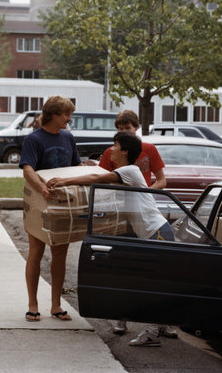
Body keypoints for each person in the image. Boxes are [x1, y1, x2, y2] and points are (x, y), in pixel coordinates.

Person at [47, 133, 176, 346]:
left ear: (125, 151)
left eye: (115, 145)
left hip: (157, 230)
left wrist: (64, 180)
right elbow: (98, 181)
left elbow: (97, 179)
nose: (111, 149)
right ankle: (153, 329)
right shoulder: (124, 172)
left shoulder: (131, 170)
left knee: (152, 283)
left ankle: (153, 330)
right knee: (148, 281)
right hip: (151, 231)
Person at [98, 110, 177, 344]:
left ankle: (159, 324)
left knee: (154, 276)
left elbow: (162, 179)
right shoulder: (112, 154)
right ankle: (124, 317)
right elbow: (100, 180)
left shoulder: (145, 152)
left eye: (127, 128)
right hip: (127, 218)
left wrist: (144, 192)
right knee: (128, 269)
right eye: (120, 129)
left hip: (149, 220)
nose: (123, 132)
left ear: (136, 128)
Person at [19, 95, 81, 322]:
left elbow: (76, 166)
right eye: (66, 114)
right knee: (36, 252)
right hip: (38, 203)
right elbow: (27, 168)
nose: (69, 119)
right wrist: (42, 188)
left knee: (60, 254)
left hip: (62, 205)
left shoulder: (68, 138)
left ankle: (56, 305)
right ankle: (33, 304)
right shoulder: (34, 139)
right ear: (53, 114)